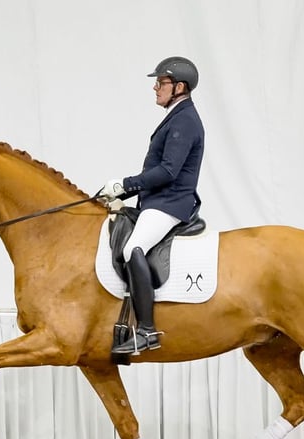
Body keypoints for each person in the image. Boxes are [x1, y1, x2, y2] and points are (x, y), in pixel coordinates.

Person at [102, 56, 205, 356]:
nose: (155, 88)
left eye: (161, 82)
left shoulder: (185, 119)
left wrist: (126, 184)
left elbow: (168, 171)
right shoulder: (176, 115)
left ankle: (146, 330)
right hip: (157, 200)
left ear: (179, 87)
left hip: (171, 203)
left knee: (132, 248)